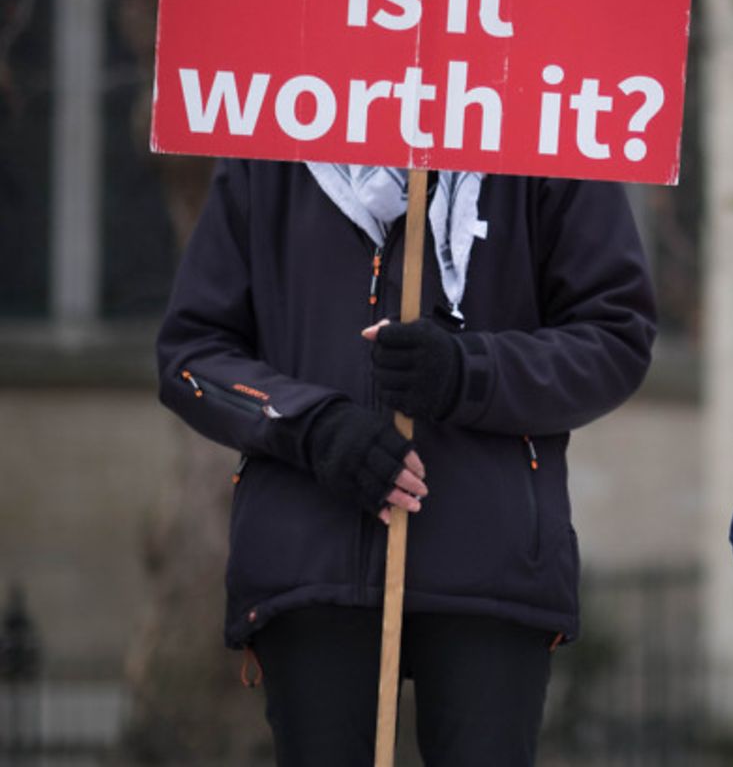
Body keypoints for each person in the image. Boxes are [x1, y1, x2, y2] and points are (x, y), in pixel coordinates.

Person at [156, 160, 654, 766]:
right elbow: (191, 357)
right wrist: (311, 426)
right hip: (309, 558)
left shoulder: (547, 130)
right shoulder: (274, 137)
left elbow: (614, 338)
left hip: (493, 559)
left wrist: (469, 373)